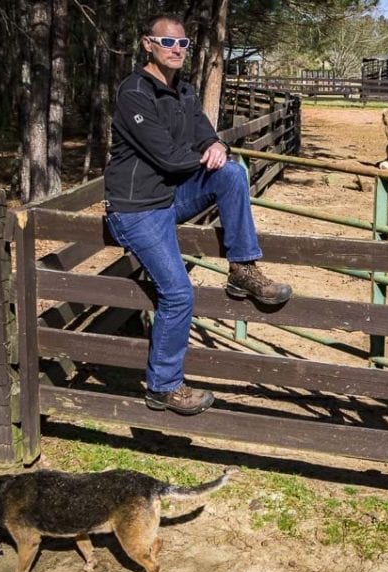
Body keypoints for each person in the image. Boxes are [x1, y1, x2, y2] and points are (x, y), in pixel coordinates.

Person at [104, 13, 292, 417]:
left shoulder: (184, 91)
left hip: (169, 197)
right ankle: (163, 387)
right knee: (177, 293)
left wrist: (216, 146)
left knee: (231, 174)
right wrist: (205, 152)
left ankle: (242, 267)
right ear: (147, 44)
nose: (176, 50)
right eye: (167, 42)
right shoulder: (135, 93)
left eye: (183, 44)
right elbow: (168, 158)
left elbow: (203, 131)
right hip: (137, 209)